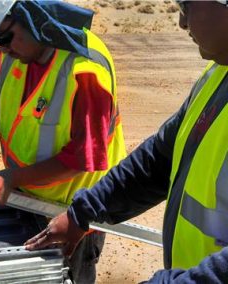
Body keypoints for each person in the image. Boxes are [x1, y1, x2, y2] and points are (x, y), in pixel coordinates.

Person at [25, 1, 228, 282]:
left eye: (187, 4)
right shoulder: (218, 76)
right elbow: (158, 160)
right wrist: (83, 213)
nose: (182, 22)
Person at [0, 0, 126, 283]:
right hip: (25, 200)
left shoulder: (86, 71)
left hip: (72, 216)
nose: (4, 48)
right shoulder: (14, 53)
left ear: (30, 15)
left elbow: (84, 159)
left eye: (4, 38)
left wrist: (9, 178)